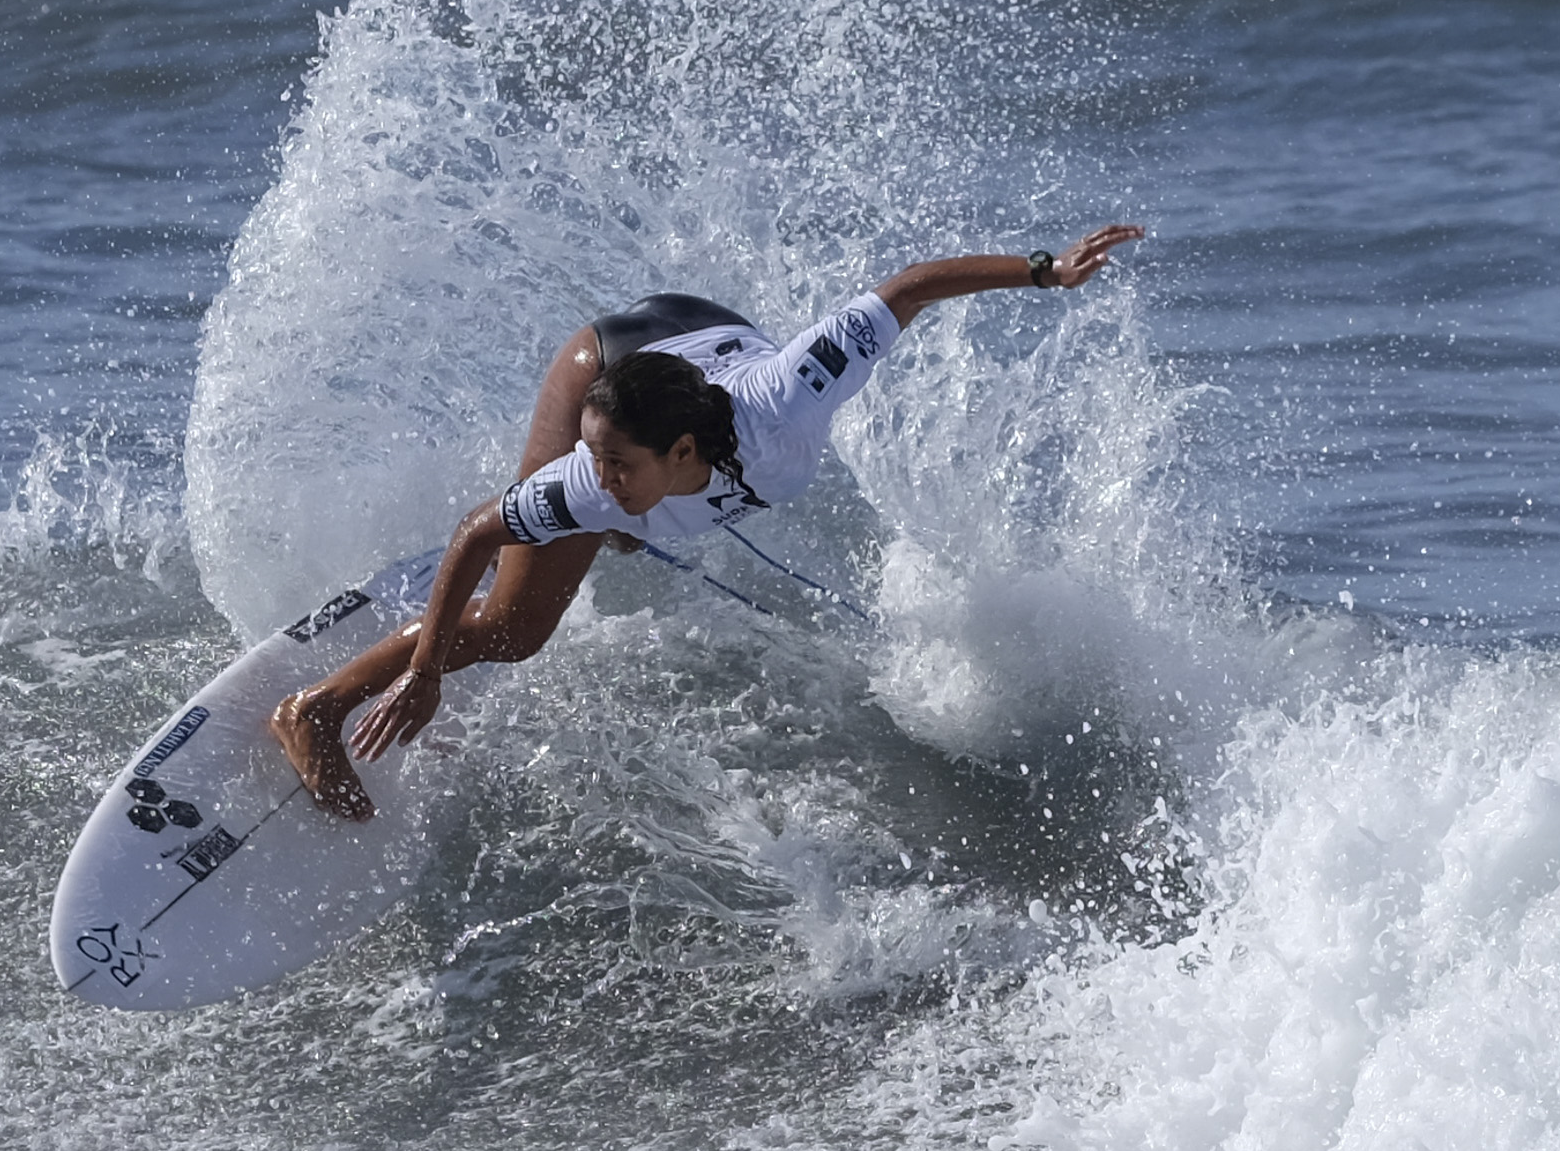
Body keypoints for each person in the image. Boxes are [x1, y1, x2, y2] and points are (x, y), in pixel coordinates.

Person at [267, 224, 1148, 820]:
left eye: (620, 470)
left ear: (686, 451)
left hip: (699, 339)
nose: (601, 479)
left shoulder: (788, 396)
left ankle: (578, 546)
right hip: (607, 364)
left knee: (605, 526)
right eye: (597, 466)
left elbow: (908, 290)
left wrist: (1047, 274)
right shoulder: (595, 469)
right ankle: (316, 709)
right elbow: (474, 531)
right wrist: (423, 673)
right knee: (517, 623)